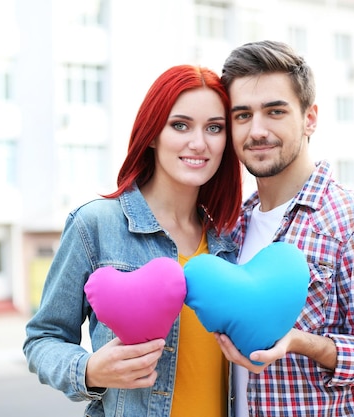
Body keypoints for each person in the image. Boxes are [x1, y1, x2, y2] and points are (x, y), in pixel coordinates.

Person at [23, 64, 242, 417]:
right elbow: (42, 338)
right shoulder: (94, 225)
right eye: (180, 125)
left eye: (214, 128)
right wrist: (90, 370)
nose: (198, 143)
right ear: (153, 133)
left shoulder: (229, 240)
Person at [216, 40, 354, 416]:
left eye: (275, 111)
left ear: (310, 118)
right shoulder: (230, 229)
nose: (257, 130)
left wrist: (300, 342)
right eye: (242, 115)